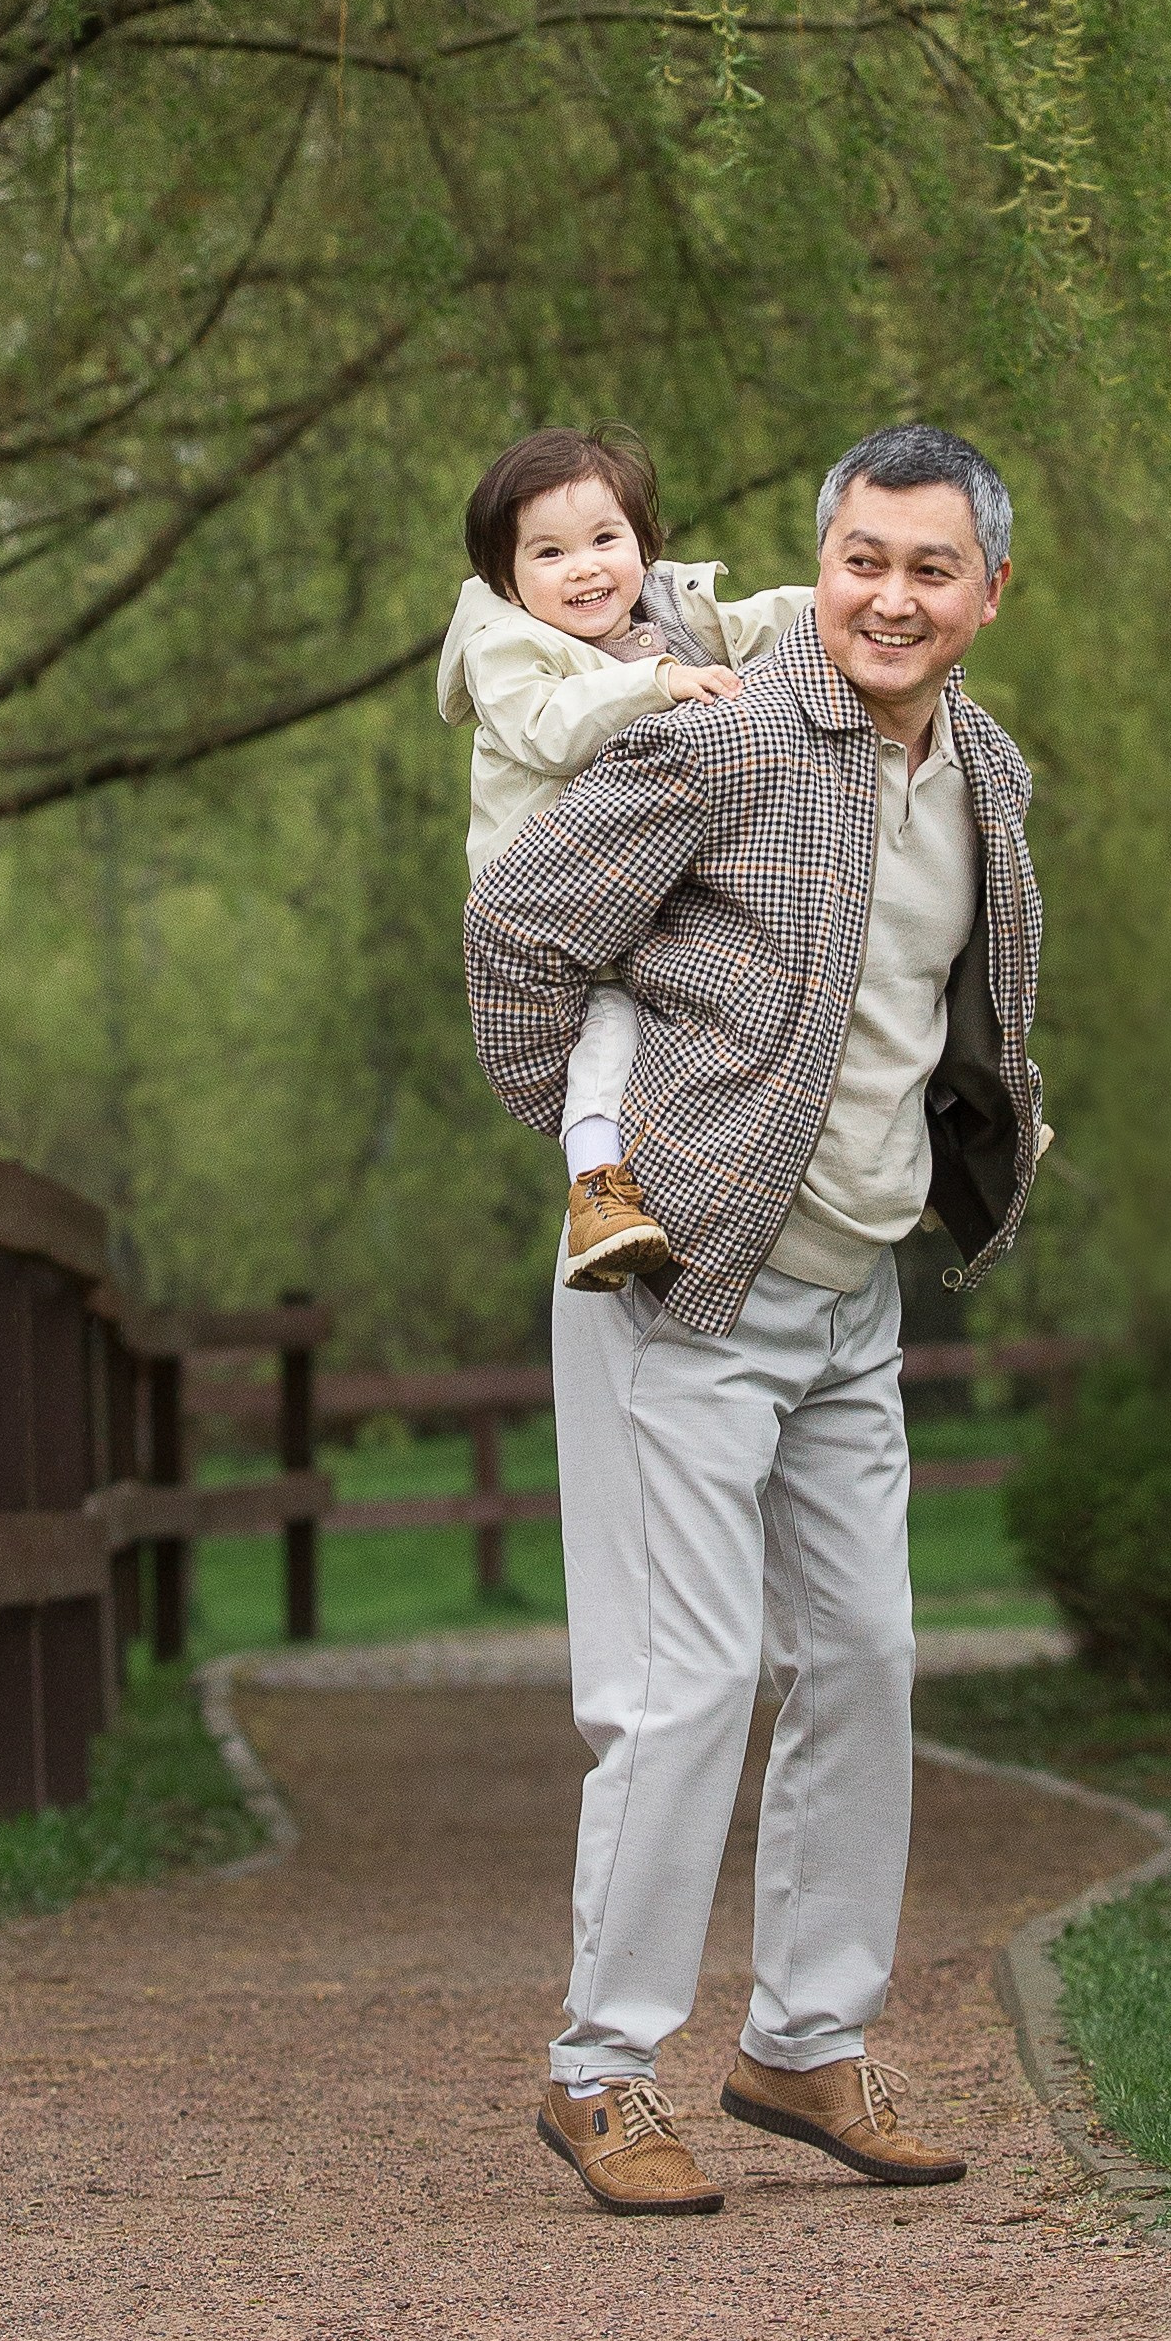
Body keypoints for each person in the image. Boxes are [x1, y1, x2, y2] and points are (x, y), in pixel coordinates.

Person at [465, 421, 1045, 2215]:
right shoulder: (718, 731)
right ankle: (602, 2069)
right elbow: (518, 928)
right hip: (680, 1285)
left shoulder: (988, 771)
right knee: (683, 1683)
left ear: (985, 594)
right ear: (823, 558)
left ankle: (803, 2036)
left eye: (929, 566)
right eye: (861, 557)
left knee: (867, 1658)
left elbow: (950, 993)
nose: (889, 594)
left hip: (851, 1295)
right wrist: (600, 1159)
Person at [438, 424, 812, 1290]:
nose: (586, 568)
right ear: (505, 578)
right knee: (608, 1029)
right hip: (554, 893)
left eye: (606, 539)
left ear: (643, 542)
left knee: (791, 945)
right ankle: (598, 1186)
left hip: (646, 884)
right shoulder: (509, 652)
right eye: (549, 552)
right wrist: (660, 685)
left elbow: (758, 624)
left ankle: (926, 1116)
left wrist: (841, 603)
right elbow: (549, 729)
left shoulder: (665, 616)